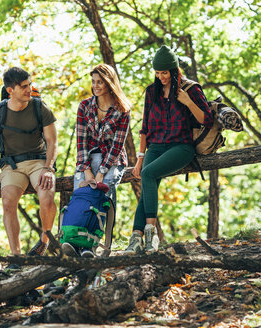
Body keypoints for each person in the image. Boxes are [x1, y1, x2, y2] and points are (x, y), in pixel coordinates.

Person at [124, 45, 214, 254]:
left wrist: (188, 102)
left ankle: (150, 234)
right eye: (157, 72)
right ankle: (136, 238)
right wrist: (139, 158)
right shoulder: (151, 91)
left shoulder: (190, 89)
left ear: (174, 71)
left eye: (164, 72)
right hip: (155, 147)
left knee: (148, 174)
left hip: (181, 147)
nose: (161, 76)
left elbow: (206, 120)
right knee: (148, 180)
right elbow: (145, 127)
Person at [0, 67, 58, 258]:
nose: (29, 89)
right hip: (12, 165)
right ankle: (16, 256)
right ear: (10, 90)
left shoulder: (40, 108)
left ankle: (44, 241)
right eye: (24, 86)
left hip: (39, 161)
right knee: (8, 202)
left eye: (30, 84)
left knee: (47, 199)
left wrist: (49, 168)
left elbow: (52, 141)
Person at [62, 63, 132, 258]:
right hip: (87, 159)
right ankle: (73, 244)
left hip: (112, 159)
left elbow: (117, 146)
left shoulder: (122, 109)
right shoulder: (85, 106)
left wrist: (100, 173)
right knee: (82, 195)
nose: (96, 86)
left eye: (100, 82)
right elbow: (81, 141)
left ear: (109, 83)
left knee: (103, 193)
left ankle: (93, 247)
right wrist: (87, 172)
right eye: (93, 82)